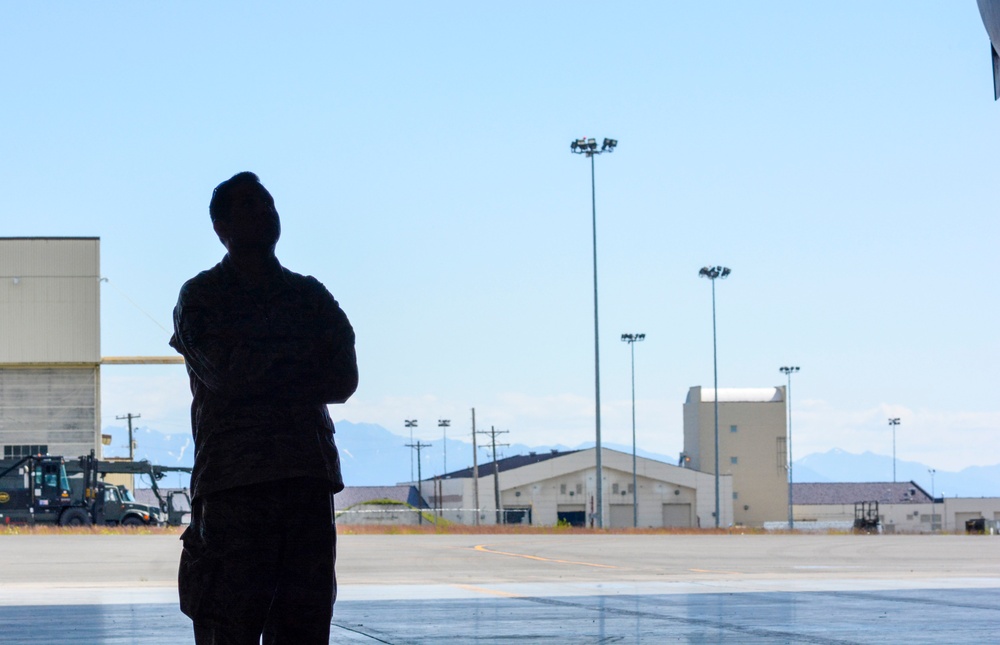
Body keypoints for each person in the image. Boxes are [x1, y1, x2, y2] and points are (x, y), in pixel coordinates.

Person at [169, 171, 358, 644]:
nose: (264, 214)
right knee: (226, 623)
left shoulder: (309, 294)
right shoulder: (202, 296)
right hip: (235, 486)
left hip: (304, 482)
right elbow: (227, 375)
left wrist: (261, 357)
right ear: (221, 227)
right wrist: (299, 357)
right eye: (249, 206)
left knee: (304, 624)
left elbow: (344, 379)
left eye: (268, 205)